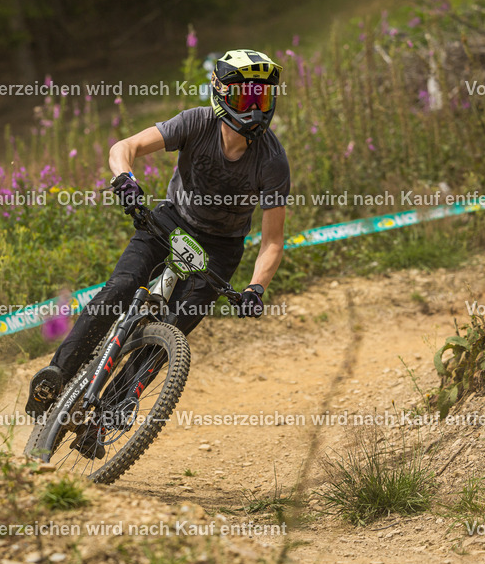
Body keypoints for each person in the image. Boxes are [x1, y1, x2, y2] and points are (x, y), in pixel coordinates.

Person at [26, 49, 290, 454]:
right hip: (170, 222)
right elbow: (124, 146)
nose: (253, 110)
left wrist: (256, 288)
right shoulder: (196, 122)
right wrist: (125, 180)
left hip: (220, 248)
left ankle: (104, 419)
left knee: (171, 331)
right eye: (244, 98)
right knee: (122, 287)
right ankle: (56, 375)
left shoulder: (271, 160)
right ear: (220, 93)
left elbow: (272, 240)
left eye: (262, 99)